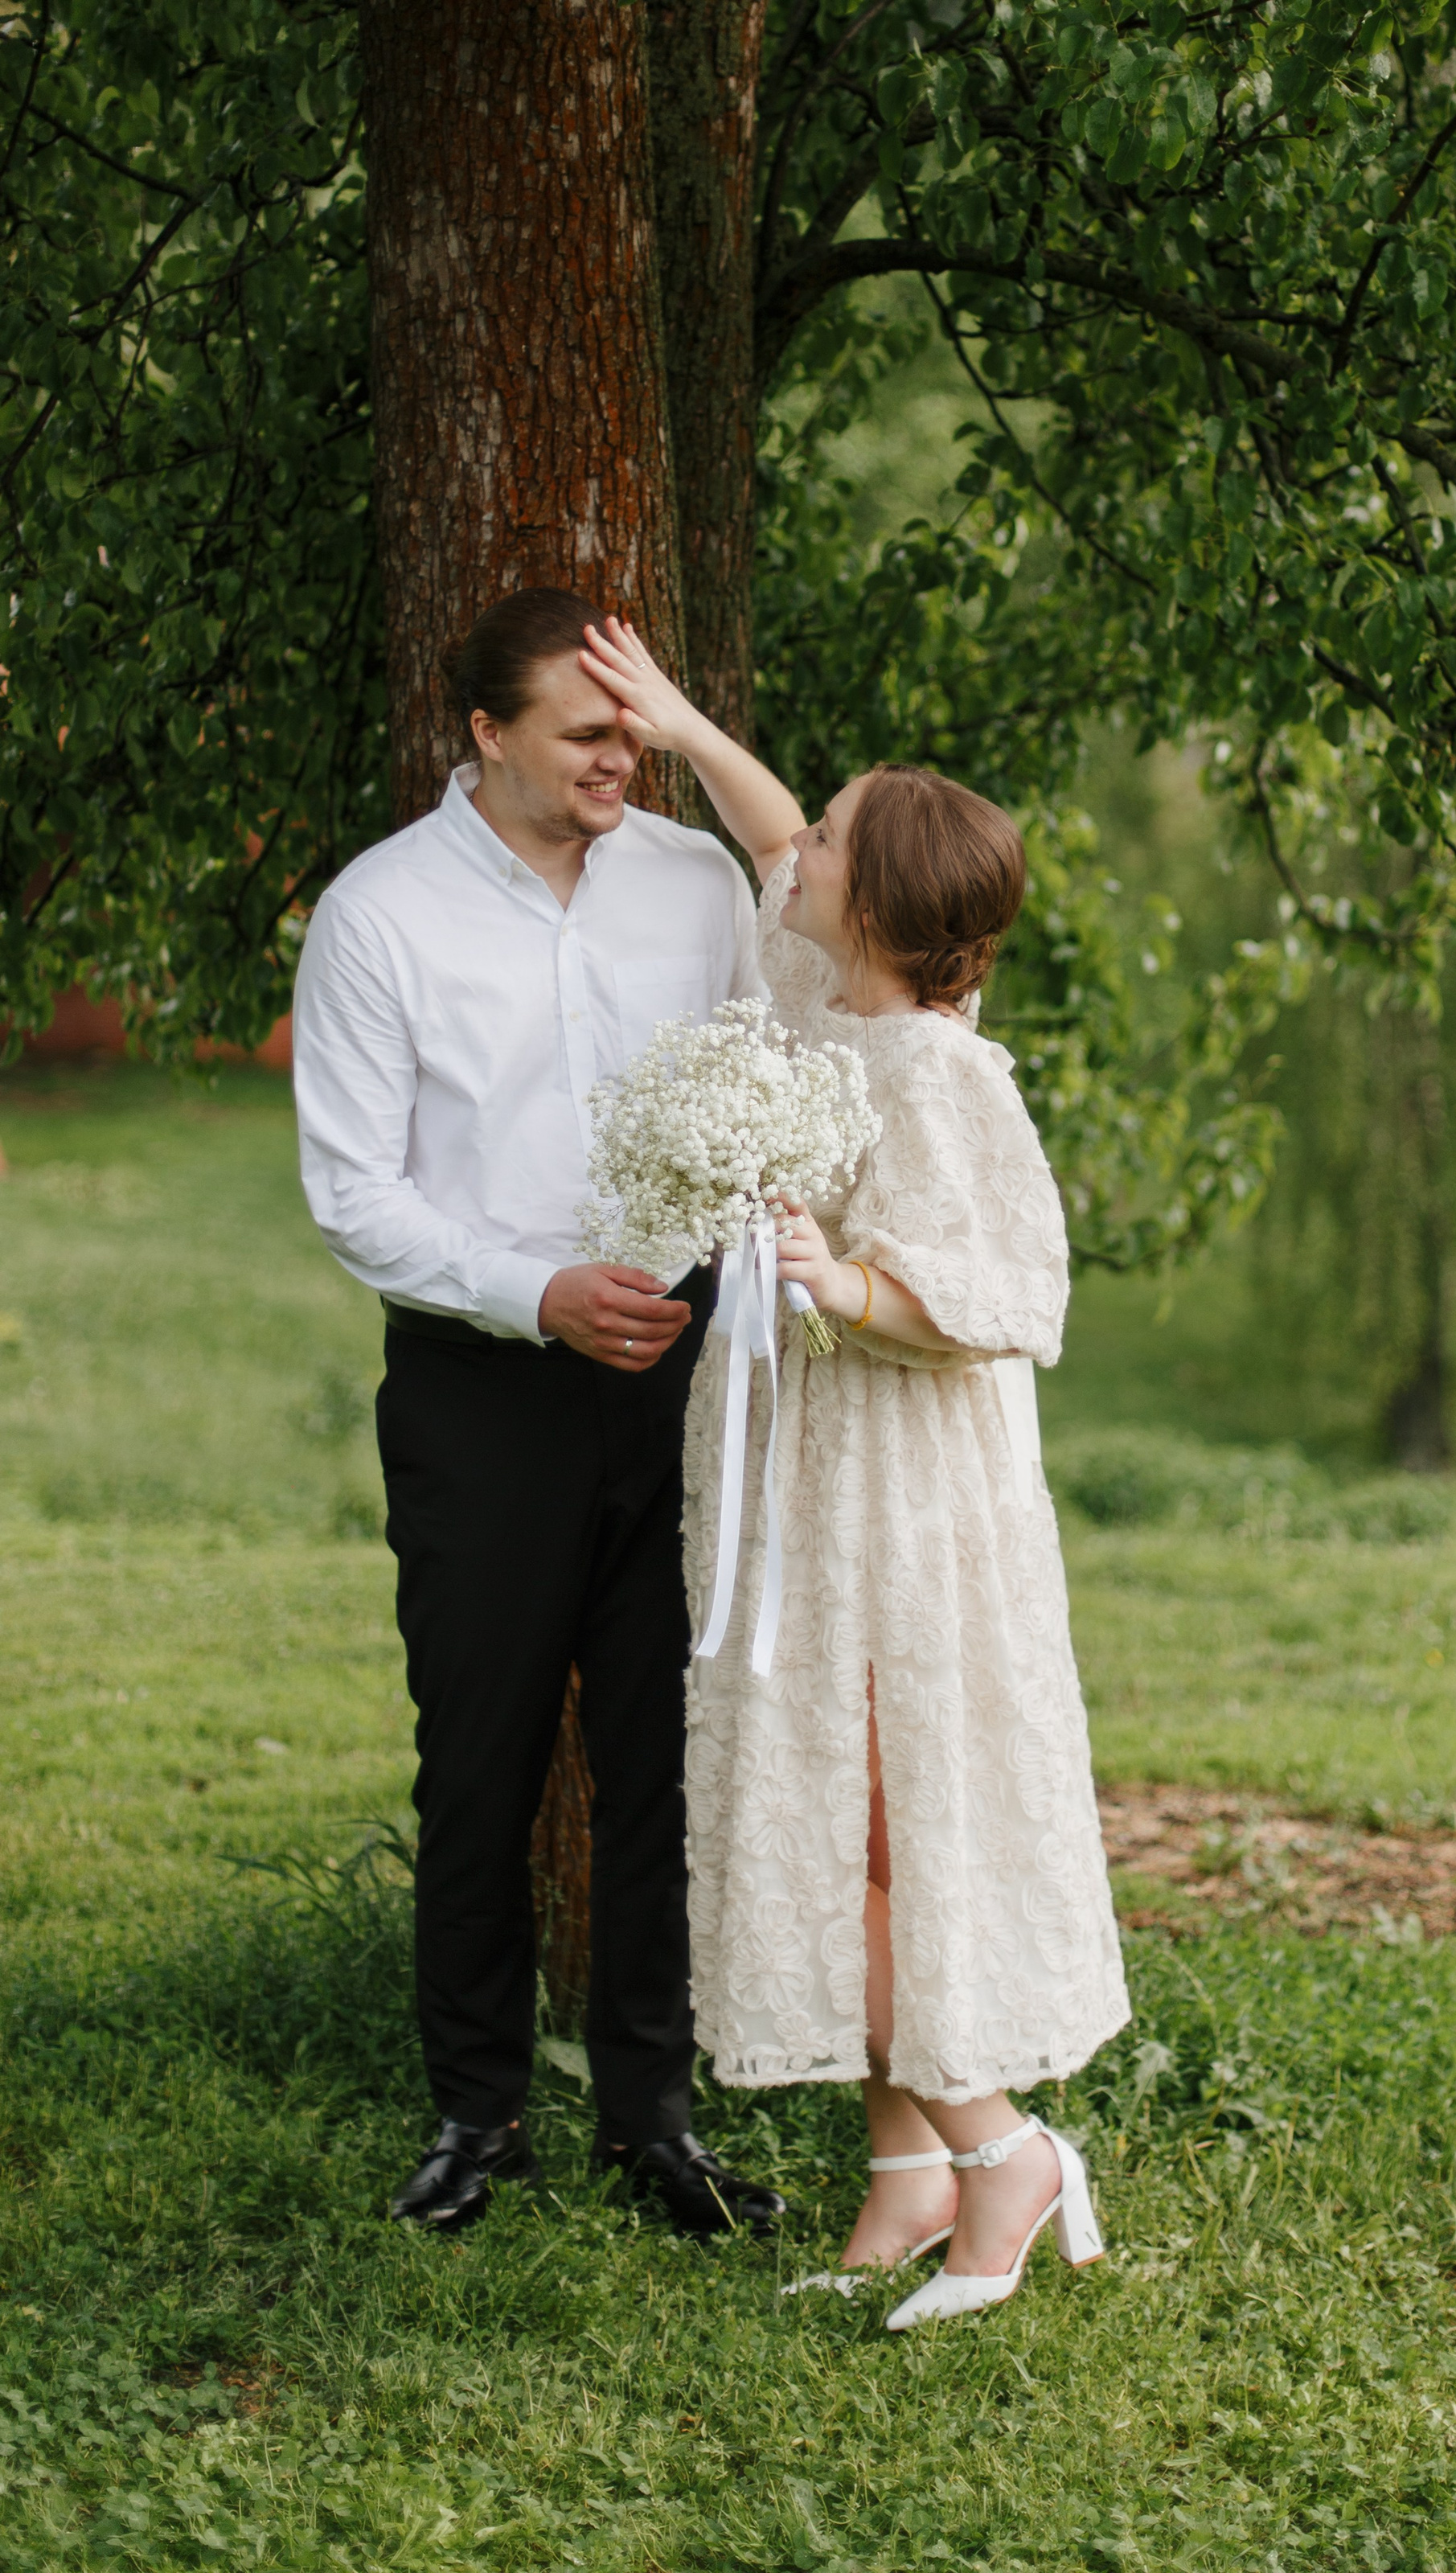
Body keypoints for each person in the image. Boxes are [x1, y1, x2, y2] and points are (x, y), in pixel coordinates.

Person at [575, 618, 1132, 2329]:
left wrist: (846, 1284)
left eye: (827, 840)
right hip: (812, 1461)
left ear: (873, 905)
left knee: (882, 1805)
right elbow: (764, 834)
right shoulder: (823, 1004)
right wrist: (675, 717)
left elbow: (1012, 1291)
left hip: (903, 1484)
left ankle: (1001, 2148)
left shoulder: (942, 1069)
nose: (792, 844)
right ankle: (904, 2167)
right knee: (857, 1814)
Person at [289, 587, 785, 2239]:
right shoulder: (379, 917)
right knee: (483, 1763)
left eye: (630, 728)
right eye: (585, 734)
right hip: (482, 1388)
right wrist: (537, 1292)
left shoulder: (690, 880)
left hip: (681, 1382)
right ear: (484, 732)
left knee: (662, 1762)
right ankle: (474, 2115)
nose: (615, 762)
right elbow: (352, 1194)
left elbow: (777, 1038)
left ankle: (654, 2119)